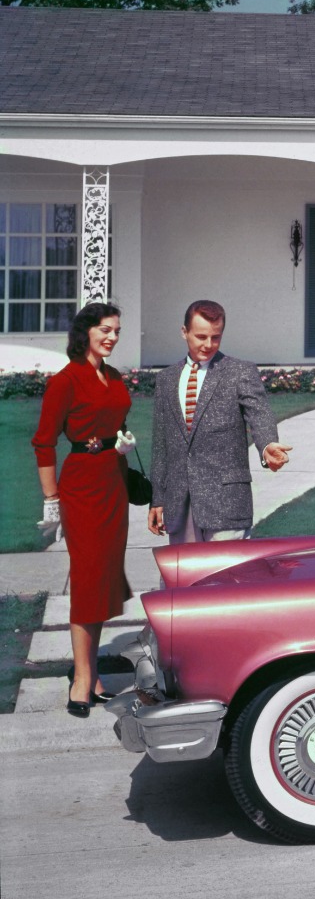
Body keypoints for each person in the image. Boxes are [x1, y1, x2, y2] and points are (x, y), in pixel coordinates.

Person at [32, 302, 135, 718]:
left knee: (104, 579)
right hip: (81, 489)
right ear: (86, 332)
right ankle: (80, 679)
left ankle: (92, 676)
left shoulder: (112, 376)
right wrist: (52, 499)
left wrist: (120, 442)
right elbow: (43, 441)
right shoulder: (66, 380)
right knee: (89, 577)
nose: (111, 337)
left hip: (114, 482)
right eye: (105, 330)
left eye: (116, 331)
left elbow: (113, 421)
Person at [147, 300, 292, 545]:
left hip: (227, 502)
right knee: (185, 581)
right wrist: (158, 499)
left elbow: (259, 415)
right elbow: (161, 444)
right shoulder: (166, 379)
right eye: (201, 336)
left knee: (226, 580)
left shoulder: (239, 371)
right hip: (180, 505)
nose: (208, 344)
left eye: (216, 337)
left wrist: (268, 446)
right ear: (184, 332)